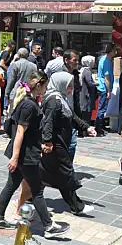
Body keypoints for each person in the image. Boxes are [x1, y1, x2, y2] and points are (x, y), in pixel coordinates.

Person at [0, 71, 71, 237]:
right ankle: (48, 226)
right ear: (40, 85)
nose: (47, 88)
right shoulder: (29, 105)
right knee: (37, 190)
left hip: (24, 153)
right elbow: (20, 132)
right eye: (45, 85)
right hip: (25, 156)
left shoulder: (28, 102)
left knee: (11, 185)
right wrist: (15, 158)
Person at [40, 72, 95, 216]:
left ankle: (29, 197)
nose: (71, 89)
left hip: (60, 143)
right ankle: (77, 206)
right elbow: (48, 123)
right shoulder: (54, 101)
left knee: (48, 175)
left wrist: (86, 127)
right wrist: (47, 141)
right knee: (66, 172)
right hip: (55, 145)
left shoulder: (61, 99)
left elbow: (72, 117)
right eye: (68, 85)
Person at [96, 44, 121, 136]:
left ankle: (100, 127)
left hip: (102, 87)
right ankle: (99, 128)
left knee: (101, 108)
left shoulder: (103, 59)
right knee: (102, 109)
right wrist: (109, 91)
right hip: (104, 88)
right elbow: (107, 78)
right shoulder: (107, 61)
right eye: (115, 50)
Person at [79, 55, 98, 124]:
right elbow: (90, 83)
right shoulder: (87, 71)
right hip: (87, 95)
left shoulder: (82, 70)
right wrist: (98, 84)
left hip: (83, 94)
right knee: (87, 114)